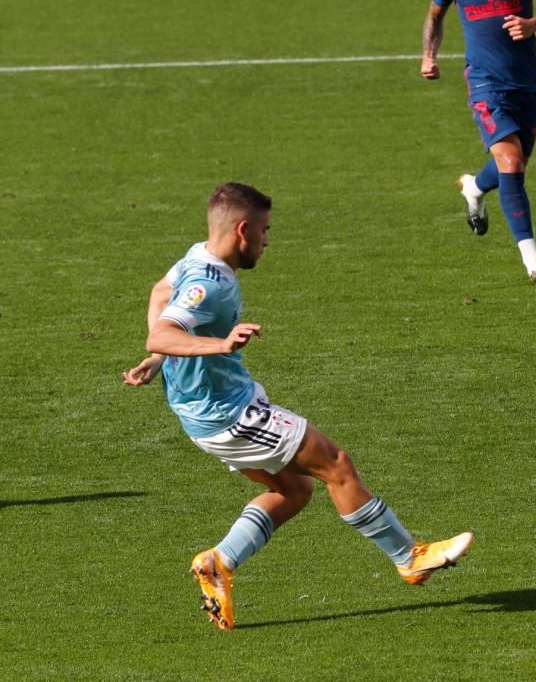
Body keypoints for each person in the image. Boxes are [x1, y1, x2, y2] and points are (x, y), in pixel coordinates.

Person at [123, 183, 473, 630]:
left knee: (295, 490)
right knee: (337, 466)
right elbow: (162, 331)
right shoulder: (207, 285)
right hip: (227, 414)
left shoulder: (197, 255)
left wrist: (162, 359)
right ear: (243, 229)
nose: (269, 240)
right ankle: (410, 557)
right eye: (265, 231)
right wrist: (212, 343)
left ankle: (218, 563)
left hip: (206, 412)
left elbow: (158, 294)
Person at [420, 0, 536, 284]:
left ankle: (475, 187)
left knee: (514, 167)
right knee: (511, 162)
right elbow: (435, 16)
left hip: (526, 84)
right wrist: (429, 55)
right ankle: (534, 260)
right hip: (484, 84)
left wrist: (533, 24)